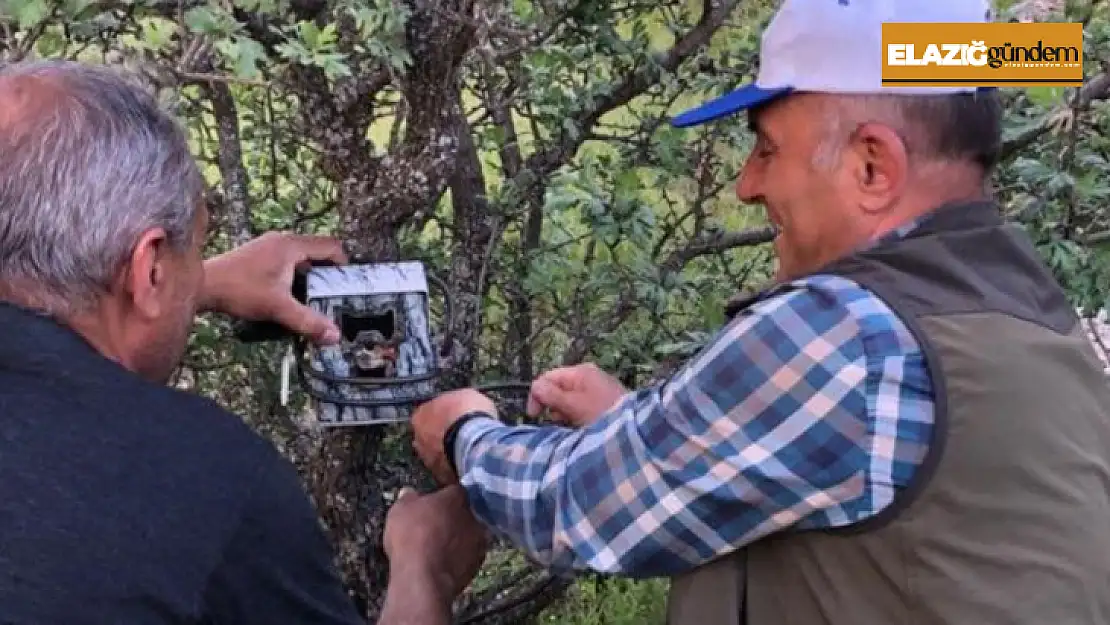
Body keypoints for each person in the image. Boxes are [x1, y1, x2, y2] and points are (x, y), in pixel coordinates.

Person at [410, 0, 1110, 623]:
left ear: (873, 166)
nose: (746, 185)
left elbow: (572, 505)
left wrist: (464, 433)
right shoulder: (1036, 316)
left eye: (767, 149)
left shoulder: (849, 333)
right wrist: (640, 427)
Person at [0, 60, 487, 624]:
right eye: (191, 254)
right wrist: (425, 571)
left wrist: (196, 283)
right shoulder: (205, 485)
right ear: (149, 269)